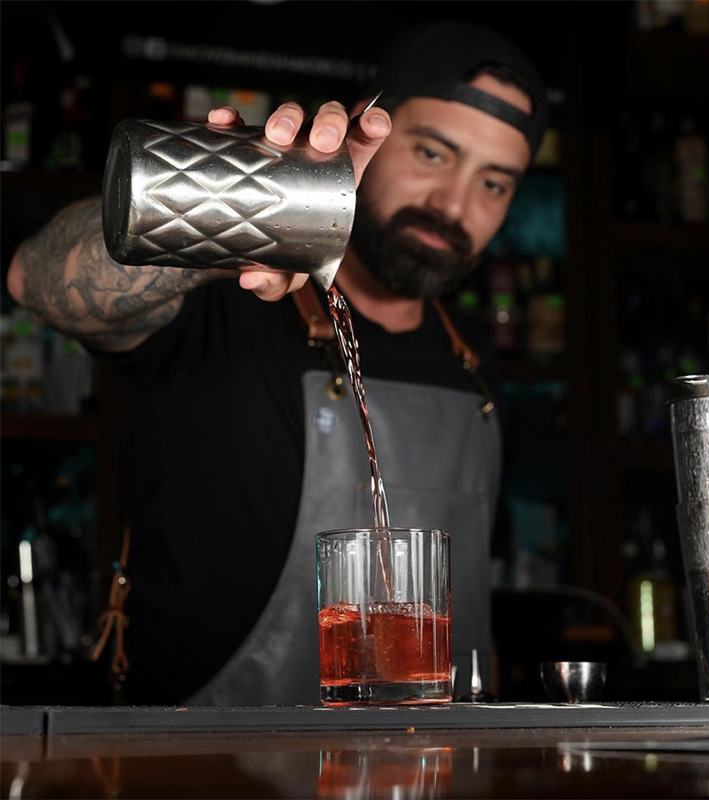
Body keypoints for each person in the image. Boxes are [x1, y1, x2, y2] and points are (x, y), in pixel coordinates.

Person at [7, 19, 548, 706]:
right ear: (369, 131)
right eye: (433, 153)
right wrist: (241, 211)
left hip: (431, 757)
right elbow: (37, 282)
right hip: (195, 758)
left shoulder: (473, 362)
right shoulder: (229, 305)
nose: (453, 205)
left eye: (494, 183)